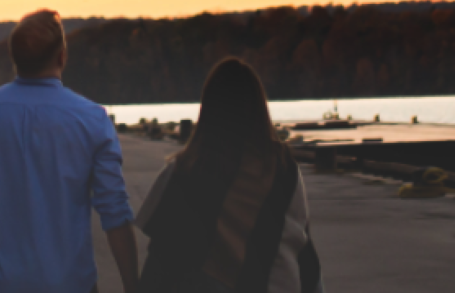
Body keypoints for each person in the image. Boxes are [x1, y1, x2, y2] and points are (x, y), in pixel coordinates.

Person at [0, 9, 139, 293]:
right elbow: (115, 212)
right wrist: (133, 286)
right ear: (62, 57)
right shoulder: (91, 119)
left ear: (15, 59)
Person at [136, 59, 322, 293]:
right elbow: (304, 251)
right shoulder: (285, 172)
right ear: (258, 109)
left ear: (208, 112)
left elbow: (160, 261)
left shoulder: (183, 172)